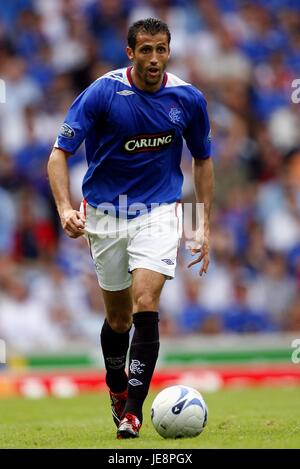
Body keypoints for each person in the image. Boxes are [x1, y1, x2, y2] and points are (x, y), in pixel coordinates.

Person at [47, 17, 214, 439]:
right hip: (105, 215)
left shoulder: (188, 99)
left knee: (146, 299)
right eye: (146, 50)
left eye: (161, 49)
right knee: (118, 319)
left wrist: (203, 223)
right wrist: (66, 208)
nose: (154, 59)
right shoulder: (104, 93)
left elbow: (203, 159)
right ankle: (117, 387)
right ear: (130, 53)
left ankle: (133, 413)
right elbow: (58, 154)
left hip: (158, 211)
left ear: (169, 51)